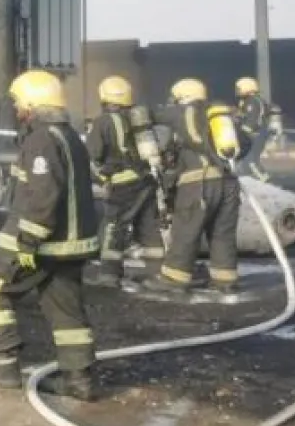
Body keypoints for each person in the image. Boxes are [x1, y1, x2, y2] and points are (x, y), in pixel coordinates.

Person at [0, 69, 100, 401]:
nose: (16, 109)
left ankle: (4, 365)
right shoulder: (70, 137)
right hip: (72, 245)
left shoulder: (41, 139)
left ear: (31, 103)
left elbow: (43, 196)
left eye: (17, 102)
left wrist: (28, 243)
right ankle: (78, 380)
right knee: (65, 309)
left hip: (43, 243)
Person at [146, 79, 239, 295]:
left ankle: (173, 279)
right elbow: (245, 142)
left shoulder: (182, 112)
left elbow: (151, 115)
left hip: (200, 183)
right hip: (229, 182)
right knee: (221, 233)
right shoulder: (218, 115)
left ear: (182, 98)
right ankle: (225, 281)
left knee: (186, 229)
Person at [85, 76, 165, 287]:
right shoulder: (138, 117)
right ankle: (154, 272)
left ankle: (109, 275)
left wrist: (101, 177)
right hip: (147, 180)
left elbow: (93, 153)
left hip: (123, 183)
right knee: (148, 227)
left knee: (114, 227)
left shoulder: (103, 121)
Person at [235, 77, 271, 181]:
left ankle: (265, 180)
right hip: (251, 135)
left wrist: (246, 130)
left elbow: (254, 118)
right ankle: (249, 180)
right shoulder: (246, 101)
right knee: (245, 160)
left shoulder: (254, 101)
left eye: (239, 88)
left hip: (256, 134)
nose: (237, 91)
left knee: (251, 161)